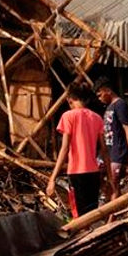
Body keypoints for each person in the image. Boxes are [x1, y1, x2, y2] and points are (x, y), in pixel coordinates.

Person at [47, 82, 113, 218]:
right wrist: (110, 177)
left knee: (79, 216)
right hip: (93, 173)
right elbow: (104, 150)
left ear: (70, 99)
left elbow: (64, 149)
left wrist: (52, 178)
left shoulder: (68, 116)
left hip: (76, 173)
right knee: (92, 214)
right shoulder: (97, 118)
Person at [94, 77, 128, 201]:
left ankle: (112, 217)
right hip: (106, 153)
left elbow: (127, 129)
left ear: (107, 90)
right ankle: (108, 207)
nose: (99, 98)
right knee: (98, 176)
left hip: (118, 153)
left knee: (114, 185)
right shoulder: (109, 107)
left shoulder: (120, 105)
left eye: (100, 94)